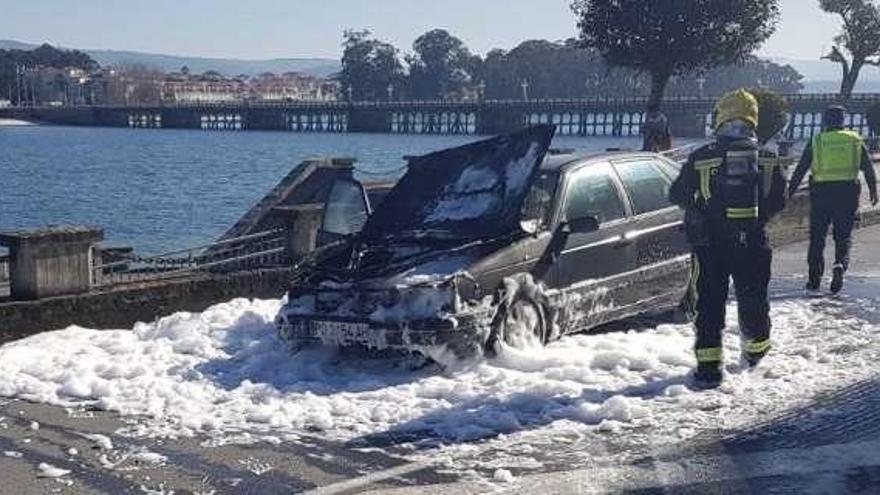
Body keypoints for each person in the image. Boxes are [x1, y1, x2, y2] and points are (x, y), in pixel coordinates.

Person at [669, 89, 787, 389]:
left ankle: (708, 368)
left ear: (721, 116)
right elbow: (780, 200)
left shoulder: (702, 156)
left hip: (711, 243)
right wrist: (757, 220)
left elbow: (677, 194)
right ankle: (755, 356)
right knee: (753, 297)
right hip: (753, 241)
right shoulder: (769, 158)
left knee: (709, 301)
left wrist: (703, 210)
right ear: (753, 119)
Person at [788, 105, 878, 295]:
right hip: (847, 193)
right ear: (843, 120)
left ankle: (814, 279)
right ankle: (839, 265)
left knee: (817, 237)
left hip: (821, 193)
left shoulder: (817, 141)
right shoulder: (854, 140)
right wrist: (873, 191)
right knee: (843, 236)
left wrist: (789, 192)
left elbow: (801, 169)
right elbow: (868, 168)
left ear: (825, 121)